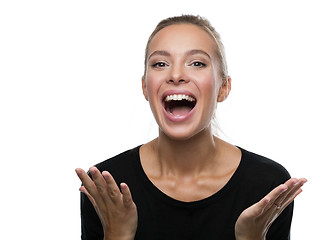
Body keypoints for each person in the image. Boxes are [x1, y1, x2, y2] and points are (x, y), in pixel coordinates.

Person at [75, 15, 307, 240]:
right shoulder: (106, 185)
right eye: (160, 64)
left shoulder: (267, 186)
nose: (176, 75)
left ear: (223, 88)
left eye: (197, 63)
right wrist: (117, 235)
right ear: (145, 87)